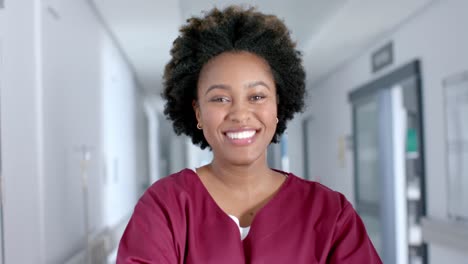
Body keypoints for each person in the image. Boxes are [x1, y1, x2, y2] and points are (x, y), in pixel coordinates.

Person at [117, 5, 382, 264]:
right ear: (197, 113)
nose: (240, 114)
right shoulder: (165, 207)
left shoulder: (330, 212)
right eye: (220, 98)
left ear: (278, 104)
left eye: (256, 96)